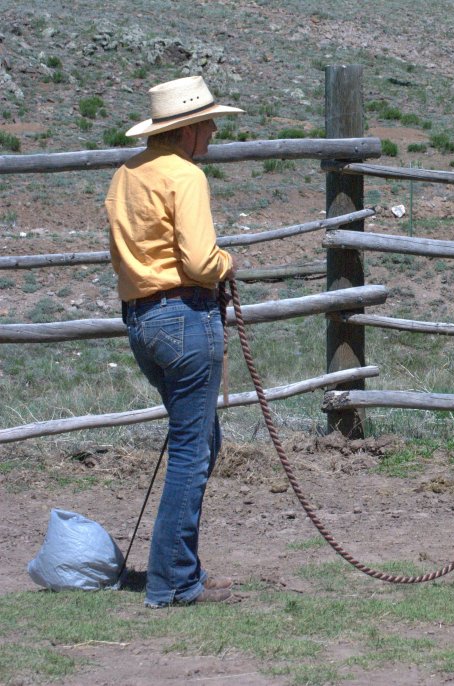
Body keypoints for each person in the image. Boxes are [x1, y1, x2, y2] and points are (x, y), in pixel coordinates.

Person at [105, 75, 243, 608]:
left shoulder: (127, 174)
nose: (212, 130)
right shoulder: (185, 176)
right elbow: (200, 262)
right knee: (193, 449)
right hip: (184, 315)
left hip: (143, 319)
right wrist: (228, 262)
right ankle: (172, 581)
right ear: (186, 130)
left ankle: (182, 568)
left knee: (199, 442)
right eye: (207, 122)